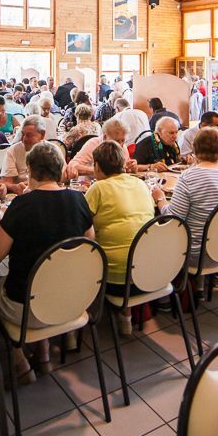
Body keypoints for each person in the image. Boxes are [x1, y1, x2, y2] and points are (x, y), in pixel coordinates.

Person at [0, 143, 94, 382]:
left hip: (28, 309)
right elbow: (89, 246)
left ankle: (19, 359)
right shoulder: (78, 200)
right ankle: (43, 352)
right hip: (72, 300)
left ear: (31, 170)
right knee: (43, 278)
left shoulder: (21, 206)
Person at [151, 128, 218, 286]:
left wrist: (160, 199)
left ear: (195, 147)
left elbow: (173, 219)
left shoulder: (190, 177)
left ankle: (164, 295)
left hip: (196, 253)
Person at [85, 141, 155, 335]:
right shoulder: (139, 183)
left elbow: (81, 226)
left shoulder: (98, 189)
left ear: (97, 166)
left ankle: (78, 323)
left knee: (85, 251)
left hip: (115, 281)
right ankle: (127, 315)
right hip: (151, 274)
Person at [67, 118, 137, 178]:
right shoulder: (93, 144)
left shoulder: (123, 148)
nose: (120, 144)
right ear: (105, 137)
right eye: (117, 141)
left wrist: (132, 167)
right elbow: (72, 165)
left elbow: (125, 170)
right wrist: (98, 171)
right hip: (89, 186)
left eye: (123, 140)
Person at [1, 116, 44, 191]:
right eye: (23, 134)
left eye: (29, 135)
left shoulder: (51, 151)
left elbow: (62, 177)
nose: (24, 139)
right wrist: (16, 187)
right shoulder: (14, 150)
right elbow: (6, 182)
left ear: (42, 135)